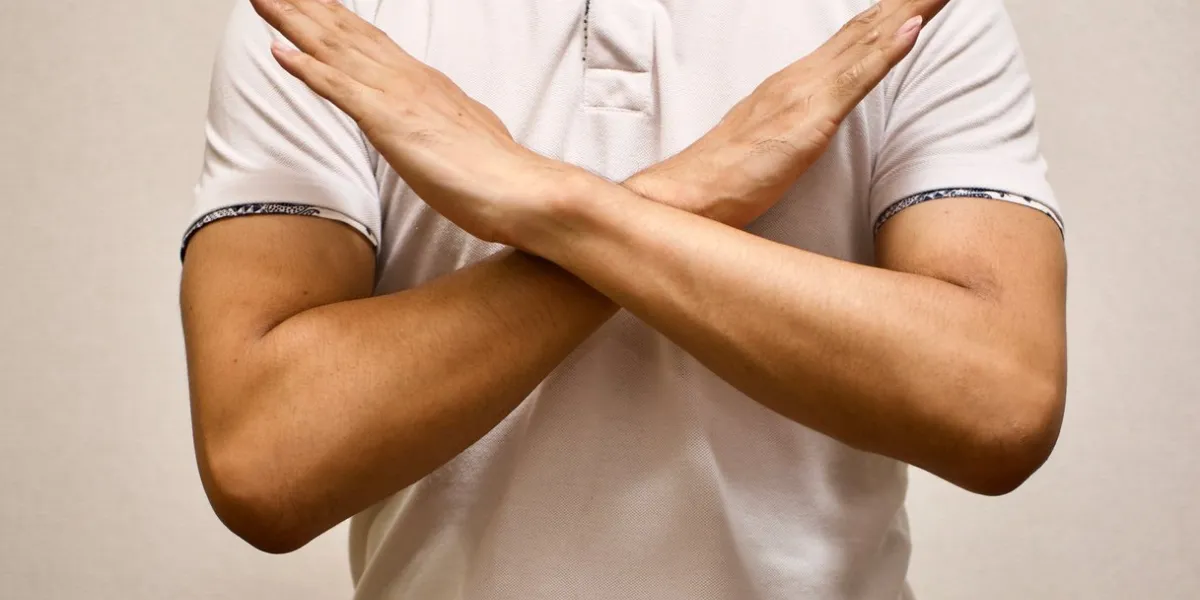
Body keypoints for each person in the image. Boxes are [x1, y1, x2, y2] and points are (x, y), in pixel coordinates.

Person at [179, 0, 1067, 597]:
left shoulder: (906, 18)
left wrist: (553, 203)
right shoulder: (327, 25)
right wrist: (695, 189)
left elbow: (998, 403)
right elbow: (266, 462)